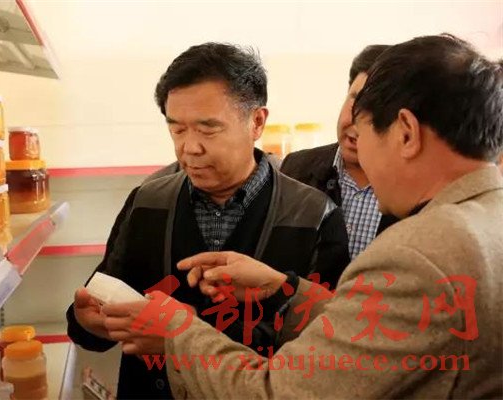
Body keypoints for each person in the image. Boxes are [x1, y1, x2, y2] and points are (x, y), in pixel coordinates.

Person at [102, 34, 503, 399]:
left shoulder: (416, 253)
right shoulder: (486, 218)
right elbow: (389, 330)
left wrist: (176, 332)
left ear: (406, 133)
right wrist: (284, 290)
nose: (360, 158)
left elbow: (280, 393)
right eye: (177, 129)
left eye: (363, 135)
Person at [66, 43, 350, 399]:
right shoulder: (147, 202)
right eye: (177, 130)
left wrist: (181, 337)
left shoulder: (314, 214)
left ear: (257, 122)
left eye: (208, 129)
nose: (190, 147)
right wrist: (89, 323)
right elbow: (105, 298)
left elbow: (327, 343)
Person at [281, 44, 398, 259]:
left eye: (376, 111)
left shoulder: (411, 188)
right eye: (355, 99)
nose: (356, 122)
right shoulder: (295, 167)